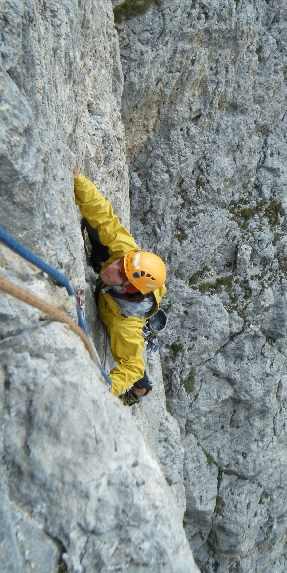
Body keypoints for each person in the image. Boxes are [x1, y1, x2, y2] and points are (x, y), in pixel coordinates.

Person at [71, 152, 167, 405]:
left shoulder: (127, 326)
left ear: (129, 289)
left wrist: (103, 388)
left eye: (120, 273)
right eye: (120, 263)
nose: (112, 267)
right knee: (96, 227)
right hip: (125, 291)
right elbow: (106, 218)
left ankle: (139, 392)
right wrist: (78, 179)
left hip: (120, 315)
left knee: (138, 375)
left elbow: (132, 367)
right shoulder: (128, 256)